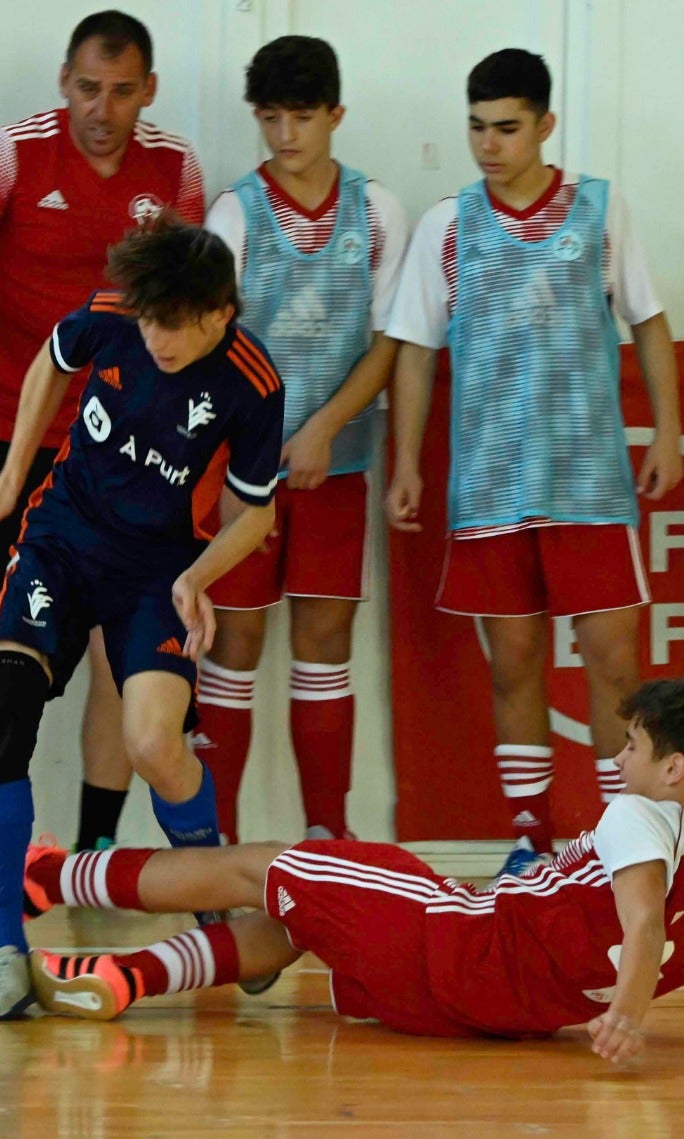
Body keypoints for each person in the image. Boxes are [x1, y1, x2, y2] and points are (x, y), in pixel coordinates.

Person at [20, 677, 684, 1060]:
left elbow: (643, 925)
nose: (618, 759)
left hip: (454, 934)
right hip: (477, 1012)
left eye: (632, 745)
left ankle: (55, 875)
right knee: (309, 920)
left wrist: (628, 1010)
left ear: (675, 772)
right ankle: (126, 974)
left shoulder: (644, 814)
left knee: (263, 865)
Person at [0, 10, 207, 903]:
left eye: (121, 91)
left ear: (148, 90)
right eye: (86, 88)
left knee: (118, 657)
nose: (101, 109)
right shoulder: (11, 154)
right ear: (62, 80)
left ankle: (95, 855)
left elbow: (189, 306)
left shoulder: (174, 171)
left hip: (123, 452)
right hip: (2, 435)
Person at [0, 219, 283, 1020]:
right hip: (61, 541)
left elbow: (256, 514)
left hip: (158, 572)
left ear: (220, 314)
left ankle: (213, 903)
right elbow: (49, 362)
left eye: (174, 322)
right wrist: (8, 479)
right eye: (147, 319)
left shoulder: (252, 383)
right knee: (2, 704)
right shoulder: (116, 312)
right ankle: (7, 947)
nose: (156, 337)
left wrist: (200, 577)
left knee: (151, 743)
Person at [383, 49, 683, 877]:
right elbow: (413, 350)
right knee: (514, 662)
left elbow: (649, 322)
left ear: (546, 126)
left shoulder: (600, 209)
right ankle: (531, 836)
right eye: (476, 127)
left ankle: (616, 838)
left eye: (507, 127)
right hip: (488, 485)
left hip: (589, 481)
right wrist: (406, 460)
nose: (488, 144)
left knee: (613, 660)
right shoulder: (449, 226)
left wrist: (666, 428)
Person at [199, 35, 408, 847]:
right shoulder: (233, 211)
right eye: (271, 118)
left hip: (339, 463)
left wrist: (324, 424)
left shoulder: (377, 210)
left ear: (336, 115)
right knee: (236, 639)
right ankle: (210, 845)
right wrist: (243, 449)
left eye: (303, 116)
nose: (287, 134)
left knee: (324, 640)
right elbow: (208, 343)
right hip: (242, 465)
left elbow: (390, 340)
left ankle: (329, 838)